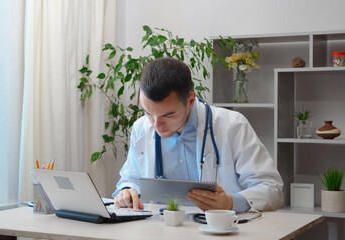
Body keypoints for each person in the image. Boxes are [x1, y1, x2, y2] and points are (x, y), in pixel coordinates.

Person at [112, 57, 283, 213]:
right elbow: (130, 179)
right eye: (148, 112)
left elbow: (271, 189)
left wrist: (230, 203)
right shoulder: (141, 128)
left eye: (168, 115)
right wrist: (127, 191)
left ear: (191, 100)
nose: (156, 125)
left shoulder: (232, 125)